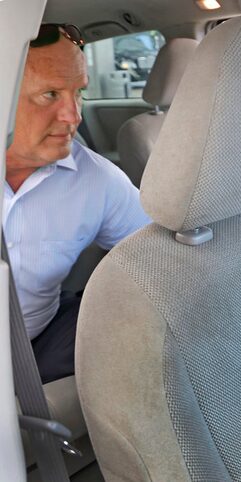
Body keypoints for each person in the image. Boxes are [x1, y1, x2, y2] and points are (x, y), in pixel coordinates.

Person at [5, 24, 150, 383]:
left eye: (79, 92)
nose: (73, 116)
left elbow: (158, 261)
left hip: (38, 346)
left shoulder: (95, 178)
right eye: (50, 94)